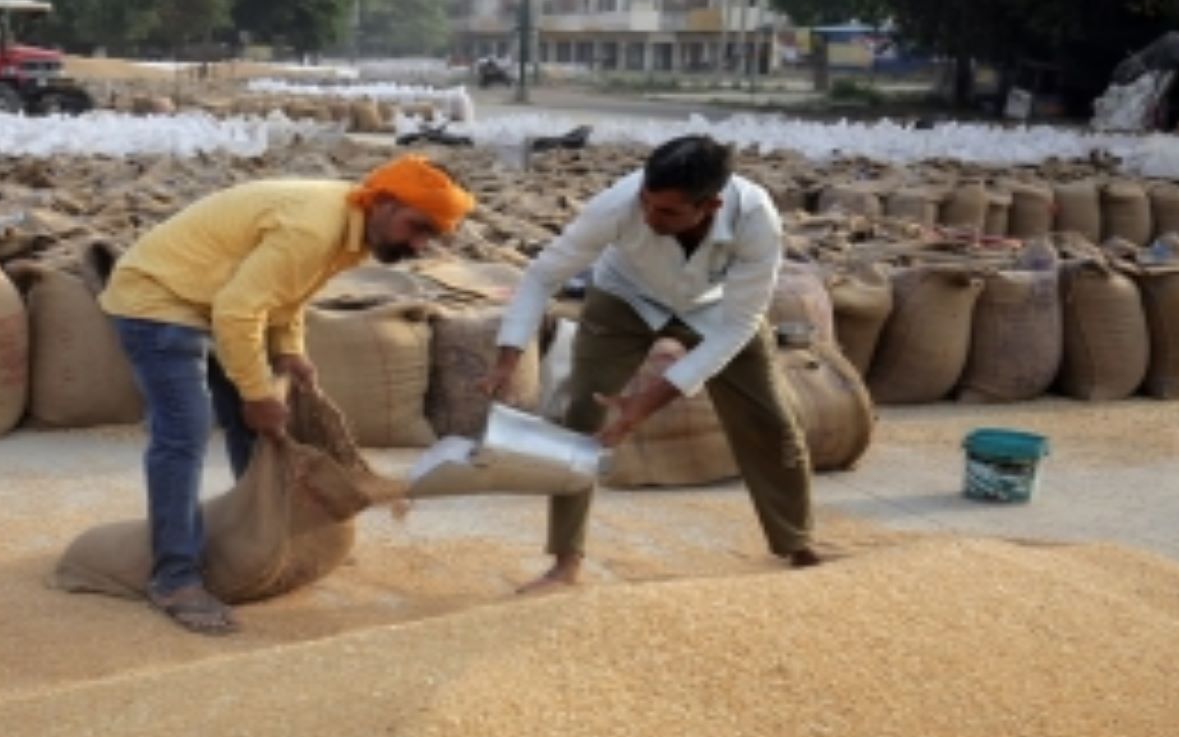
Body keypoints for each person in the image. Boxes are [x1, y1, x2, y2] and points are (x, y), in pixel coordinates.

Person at [101, 156, 478, 634]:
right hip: (157, 298)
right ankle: (174, 578)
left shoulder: (355, 228)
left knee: (251, 426)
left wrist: (289, 352)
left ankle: (263, 539)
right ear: (383, 202)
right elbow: (239, 311)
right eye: (417, 227)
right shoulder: (314, 227)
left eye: (432, 236)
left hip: (212, 300)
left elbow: (287, 295)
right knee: (185, 433)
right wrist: (258, 393)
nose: (419, 244)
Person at [482, 134, 820, 591]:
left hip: (716, 308)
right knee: (580, 417)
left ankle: (796, 541)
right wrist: (509, 355)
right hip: (625, 297)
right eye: (647, 203)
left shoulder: (757, 219)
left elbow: (739, 324)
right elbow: (543, 274)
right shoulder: (618, 204)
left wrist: (649, 399)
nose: (649, 216)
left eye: (667, 213)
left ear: (711, 206)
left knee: (771, 419)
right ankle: (566, 563)